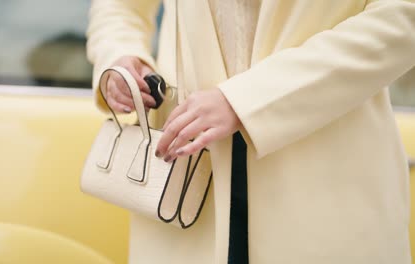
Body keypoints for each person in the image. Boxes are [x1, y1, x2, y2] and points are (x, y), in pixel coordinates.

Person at [86, 0, 415, 263]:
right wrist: (120, 55)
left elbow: (402, 17)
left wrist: (247, 99)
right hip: (181, 182)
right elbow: (120, 8)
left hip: (324, 179)